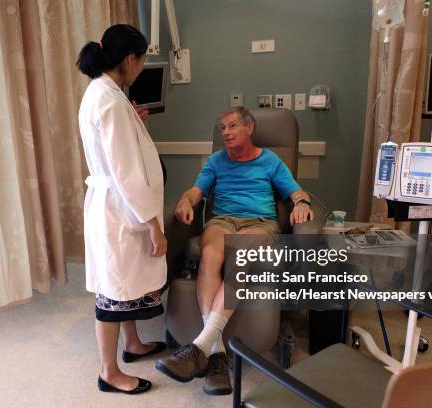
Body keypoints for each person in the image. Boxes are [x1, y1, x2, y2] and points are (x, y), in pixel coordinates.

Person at [156, 106, 314, 396]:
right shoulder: (217, 161)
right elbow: (196, 191)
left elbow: (295, 192)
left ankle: (200, 347)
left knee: (239, 256)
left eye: (232, 126)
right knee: (210, 256)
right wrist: (184, 201)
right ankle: (215, 352)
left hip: (260, 224)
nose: (225, 133)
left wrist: (302, 204)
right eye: (222, 128)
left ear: (249, 128)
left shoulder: (270, 160)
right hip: (222, 221)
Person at [77, 24, 167, 395]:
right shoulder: (110, 101)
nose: (142, 68)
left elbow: (115, 147)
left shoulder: (104, 93)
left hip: (115, 207)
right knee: (113, 291)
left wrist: (133, 122)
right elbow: (126, 173)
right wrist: (153, 225)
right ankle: (108, 372)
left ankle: (132, 345)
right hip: (120, 211)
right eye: (143, 60)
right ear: (130, 58)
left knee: (123, 285)